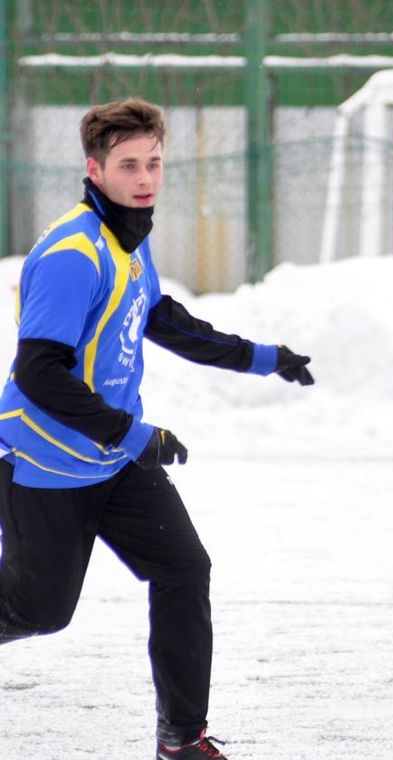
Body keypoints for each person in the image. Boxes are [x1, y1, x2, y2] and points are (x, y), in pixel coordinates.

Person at [0, 99, 315, 760]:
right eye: (128, 165)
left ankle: (181, 738)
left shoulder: (127, 247)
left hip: (110, 462)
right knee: (39, 612)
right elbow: (39, 373)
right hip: (44, 463)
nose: (144, 178)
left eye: (154, 163)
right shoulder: (73, 253)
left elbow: (166, 322)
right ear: (95, 169)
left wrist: (266, 358)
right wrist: (130, 433)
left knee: (183, 568)